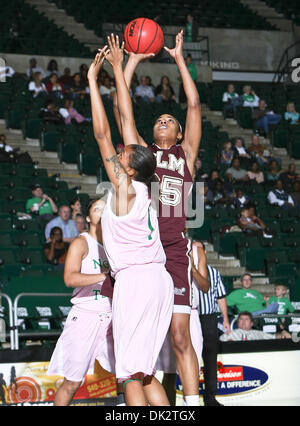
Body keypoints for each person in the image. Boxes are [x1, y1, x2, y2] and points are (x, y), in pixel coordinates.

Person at [111, 30, 203, 406]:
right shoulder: (142, 156)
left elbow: (194, 107)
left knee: (180, 335)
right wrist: (129, 63)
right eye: (160, 119)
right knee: (141, 338)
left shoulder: (187, 154)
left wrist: (179, 59)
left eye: (170, 119)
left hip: (174, 247)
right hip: (145, 250)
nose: (164, 121)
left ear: (179, 131)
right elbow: (123, 111)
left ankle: (192, 404)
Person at [88, 46, 174, 406]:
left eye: (123, 156)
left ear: (130, 167)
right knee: (146, 369)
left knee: (128, 374)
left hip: (137, 281)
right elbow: (126, 118)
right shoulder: (146, 185)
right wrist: (122, 69)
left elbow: (103, 134)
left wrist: (94, 80)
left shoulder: (124, 185)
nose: (119, 154)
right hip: (159, 279)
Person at [47, 198, 120, 406]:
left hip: (112, 316)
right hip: (86, 316)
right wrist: (103, 277)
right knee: (73, 382)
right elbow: (70, 278)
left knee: (127, 375)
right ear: (88, 217)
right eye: (97, 208)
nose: (103, 211)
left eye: (106, 209)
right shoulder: (82, 242)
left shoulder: (115, 245)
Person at [158, 240, 209, 406]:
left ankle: (191, 404)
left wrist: (191, 268)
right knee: (169, 371)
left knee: (191, 367)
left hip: (190, 312)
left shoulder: (197, 250)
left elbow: (205, 286)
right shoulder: (162, 245)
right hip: (167, 311)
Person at [194, 241, 229, 406]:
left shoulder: (214, 273)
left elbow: (220, 297)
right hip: (192, 317)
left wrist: (226, 318)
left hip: (209, 318)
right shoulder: (186, 271)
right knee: (191, 358)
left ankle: (210, 398)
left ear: (204, 253)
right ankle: (190, 396)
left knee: (210, 359)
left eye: (198, 248)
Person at [220, 311, 291, 341]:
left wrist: (283, 333)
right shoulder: (231, 333)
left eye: (246, 319)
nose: (243, 321)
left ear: (251, 323)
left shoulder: (258, 333)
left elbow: (273, 337)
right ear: (238, 323)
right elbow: (220, 341)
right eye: (241, 319)